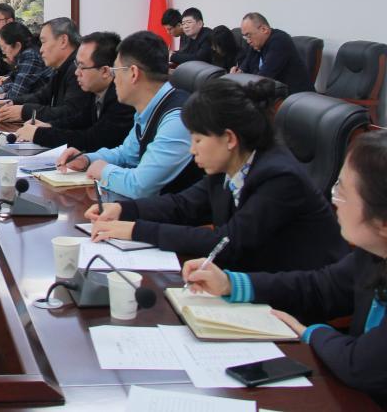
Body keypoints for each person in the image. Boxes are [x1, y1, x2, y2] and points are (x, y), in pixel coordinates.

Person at [183, 131, 387, 407]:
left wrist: (309, 332)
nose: (333, 199)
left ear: (383, 222)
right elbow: (321, 287)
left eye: (343, 192)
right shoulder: (373, 252)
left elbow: (360, 366)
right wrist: (231, 284)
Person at [86, 77, 348, 271]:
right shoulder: (230, 164)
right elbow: (184, 205)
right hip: (247, 276)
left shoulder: (279, 177)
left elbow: (228, 241)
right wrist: (123, 210)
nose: (192, 150)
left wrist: (136, 230)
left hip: (291, 292)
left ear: (229, 139)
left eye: (198, 140)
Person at [57, 31, 201, 199]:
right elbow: (127, 154)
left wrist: (103, 170)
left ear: (133, 73)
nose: (113, 78)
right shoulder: (147, 109)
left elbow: (140, 186)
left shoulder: (177, 120)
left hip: (181, 213)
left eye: (116, 70)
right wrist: (87, 160)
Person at [14, 31, 134, 152]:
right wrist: (48, 126)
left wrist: (39, 134)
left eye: (82, 66)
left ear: (105, 72)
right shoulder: (95, 91)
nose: (77, 72)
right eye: (76, 65)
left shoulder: (123, 100)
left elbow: (93, 140)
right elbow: (79, 120)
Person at [0, 18, 92, 128]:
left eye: (43, 42)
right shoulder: (61, 68)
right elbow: (42, 96)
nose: (41, 50)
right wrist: (11, 102)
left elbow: (70, 113)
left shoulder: (78, 70)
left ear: (63, 41)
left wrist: (25, 111)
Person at [232, 12, 314, 95]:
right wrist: (238, 72)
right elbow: (245, 66)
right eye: (245, 36)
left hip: (295, 97)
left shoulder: (280, 41)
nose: (248, 41)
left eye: (248, 35)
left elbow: (263, 78)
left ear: (264, 29)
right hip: (273, 93)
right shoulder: (256, 44)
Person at [0, 22, 50, 102]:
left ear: (17, 46)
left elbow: (16, 94)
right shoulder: (25, 55)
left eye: (4, 48)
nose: (4, 53)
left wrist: (2, 95)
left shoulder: (30, 56)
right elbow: (16, 82)